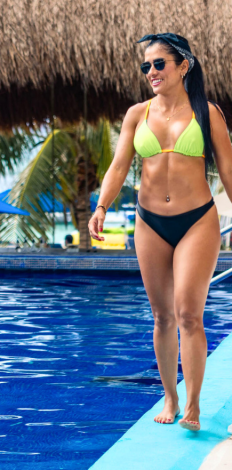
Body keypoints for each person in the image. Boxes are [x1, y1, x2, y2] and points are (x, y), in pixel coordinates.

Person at [89, 33, 232, 432]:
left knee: (189, 313)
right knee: (162, 316)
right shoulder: (137, 113)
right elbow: (119, 167)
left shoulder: (208, 113)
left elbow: (228, 170)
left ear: (183, 65)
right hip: (149, 222)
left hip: (197, 220)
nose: (151, 72)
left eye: (159, 64)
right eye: (145, 66)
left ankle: (193, 405)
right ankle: (169, 395)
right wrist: (101, 206)